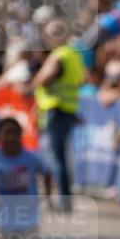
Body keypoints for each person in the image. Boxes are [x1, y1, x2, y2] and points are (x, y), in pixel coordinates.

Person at [29, 20, 84, 210]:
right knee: (61, 156)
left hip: (56, 109)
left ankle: (61, 200)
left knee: (55, 157)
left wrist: (35, 80)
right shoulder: (74, 55)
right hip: (68, 110)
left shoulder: (59, 55)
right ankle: (65, 199)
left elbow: (42, 80)